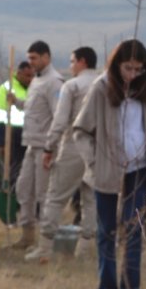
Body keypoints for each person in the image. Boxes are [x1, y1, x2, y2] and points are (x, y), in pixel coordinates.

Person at [71, 38, 146, 289]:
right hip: (107, 172)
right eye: (127, 68)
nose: (132, 74)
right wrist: (94, 162)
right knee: (107, 231)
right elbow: (80, 131)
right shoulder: (101, 89)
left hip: (140, 171)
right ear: (116, 65)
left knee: (133, 231)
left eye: (138, 69)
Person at [26, 46, 99, 263]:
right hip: (98, 149)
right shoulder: (103, 85)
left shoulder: (72, 86)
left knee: (55, 197)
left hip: (73, 146)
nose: (70, 66)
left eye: (72, 61)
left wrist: (49, 147)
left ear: (82, 61)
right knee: (90, 200)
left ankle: (45, 248)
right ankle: (84, 250)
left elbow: (60, 121)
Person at [12, 41, 64, 249]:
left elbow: (58, 116)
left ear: (46, 57)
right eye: (29, 58)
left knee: (44, 193)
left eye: (34, 58)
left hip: (45, 146)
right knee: (24, 189)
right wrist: (17, 102)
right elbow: (33, 108)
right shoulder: (36, 80)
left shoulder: (55, 82)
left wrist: (52, 146)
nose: (31, 62)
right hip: (31, 144)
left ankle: (45, 241)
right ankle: (27, 236)